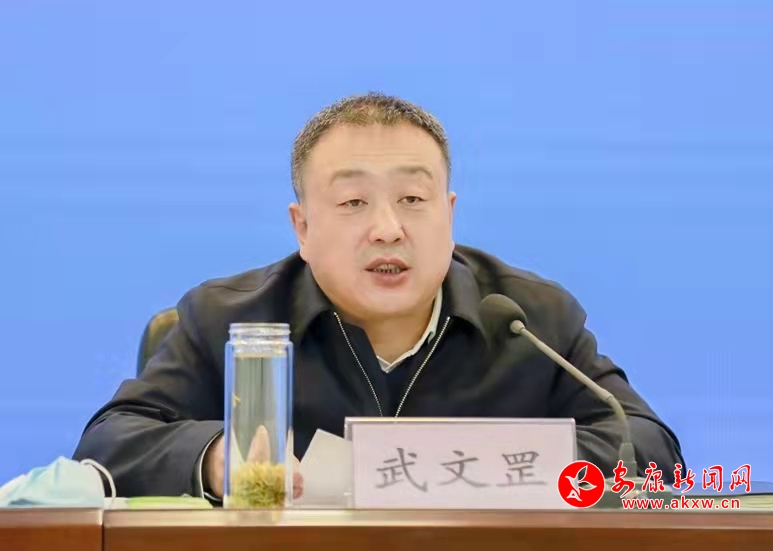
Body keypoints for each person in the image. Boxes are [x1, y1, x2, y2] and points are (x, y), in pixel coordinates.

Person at [73, 92, 684, 500]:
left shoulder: (532, 318)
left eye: (413, 200)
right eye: (353, 202)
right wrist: (214, 459)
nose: (388, 228)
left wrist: (499, 465)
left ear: (448, 215)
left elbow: (651, 450)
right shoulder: (230, 319)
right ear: (303, 227)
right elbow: (108, 442)